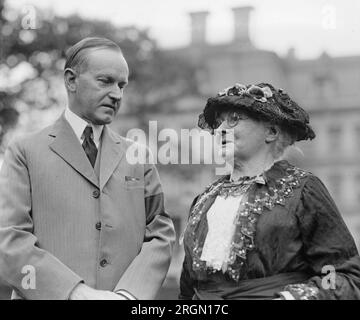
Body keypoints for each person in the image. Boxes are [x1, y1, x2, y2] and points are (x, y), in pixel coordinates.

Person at [0, 37, 175, 300]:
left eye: (122, 85)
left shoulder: (139, 156)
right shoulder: (23, 151)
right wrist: (74, 293)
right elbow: (9, 239)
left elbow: (161, 232)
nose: (117, 94)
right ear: (71, 80)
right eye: (105, 81)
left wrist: (128, 295)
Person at [179, 82, 360, 300]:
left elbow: (345, 275)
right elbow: (187, 289)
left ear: (272, 131)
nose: (220, 129)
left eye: (234, 119)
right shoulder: (204, 200)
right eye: (218, 123)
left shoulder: (303, 189)